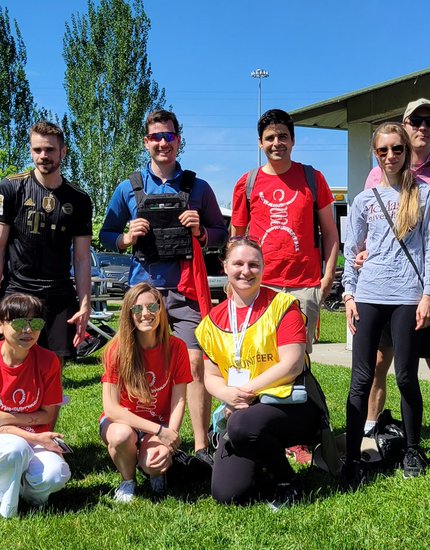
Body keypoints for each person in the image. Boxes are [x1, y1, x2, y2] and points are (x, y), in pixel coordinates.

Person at [100, 110, 227, 461]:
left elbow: (222, 233)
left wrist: (201, 230)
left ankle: (202, 448)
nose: (162, 143)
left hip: (185, 291)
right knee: (137, 365)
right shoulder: (129, 187)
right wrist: (126, 237)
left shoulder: (198, 187)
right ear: (146, 142)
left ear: (178, 140)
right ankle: (141, 438)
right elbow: (106, 235)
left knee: (195, 364)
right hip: (142, 291)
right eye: (156, 137)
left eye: (168, 137)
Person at [343, 123, 430, 480]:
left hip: (408, 297)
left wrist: (427, 295)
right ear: (375, 153)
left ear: (407, 151)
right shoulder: (364, 200)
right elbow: (351, 250)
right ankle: (352, 456)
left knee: (406, 377)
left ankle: (413, 450)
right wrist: (349, 295)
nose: (390, 157)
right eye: (382, 150)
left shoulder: (424, 196)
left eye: (397, 149)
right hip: (369, 294)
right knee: (361, 378)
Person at [195, 238, 316, 506]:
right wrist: (228, 394)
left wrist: (245, 394)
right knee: (227, 494)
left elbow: (292, 364)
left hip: (291, 405)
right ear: (225, 266)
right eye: (238, 263)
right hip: (242, 410)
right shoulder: (211, 322)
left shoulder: (282, 306)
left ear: (263, 268)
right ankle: (264, 466)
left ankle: (288, 481)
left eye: (254, 264)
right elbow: (211, 376)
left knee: (240, 426)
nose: (246, 271)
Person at [359, 98, 430, 435]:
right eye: (416, 121)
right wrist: (365, 253)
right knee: (381, 363)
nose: (422, 127)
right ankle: (369, 430)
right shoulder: (376, 174)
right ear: (405, 125)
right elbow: (371, 226)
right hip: (386, 287)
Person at [0, 121, 94, 374]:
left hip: (58, 294)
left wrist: (85, 303)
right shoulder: (9, 188)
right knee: (11, 369)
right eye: (37, 149)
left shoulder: (80, 199)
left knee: (52, 373)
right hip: (16, 291)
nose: (43, 156)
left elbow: (83, 258)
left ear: (63, 152)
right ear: (31, 151)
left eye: (50, 150)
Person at [231, 109, 340, 352]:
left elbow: (331, 232)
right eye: (270, 138)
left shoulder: (313, 178)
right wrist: (234, 278)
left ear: (292, 140)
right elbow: (236, 237)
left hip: (304, 287)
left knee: (297, 362)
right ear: (260, 143)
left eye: (282, 136)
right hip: (258, 285)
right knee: (257, 356)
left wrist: (328, 276)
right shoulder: (247, 183)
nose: (276, 143)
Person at [0, 293, 70, 523]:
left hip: (34, 436)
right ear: (0, 325)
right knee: (15, 448)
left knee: (57, 475)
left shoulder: (49, 361)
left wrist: (4, 417)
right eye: (20, 323)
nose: (28, 330)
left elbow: (48, 414)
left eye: (36, 323)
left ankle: (27, 493)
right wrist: (34, 434)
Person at [100, 283, 192, 503]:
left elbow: (179, 399)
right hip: (122, 423)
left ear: (161, 309)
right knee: (121, 436)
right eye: (137, 309)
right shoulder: (116, 350)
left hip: (158, 424)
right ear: (128, 314)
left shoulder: (176, 347)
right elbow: (111, 409)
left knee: (153, 464)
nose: (145, 314)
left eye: (152, 306)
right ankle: (128, 480)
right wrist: (160, 431)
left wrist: (170, 435)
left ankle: (152, 469)